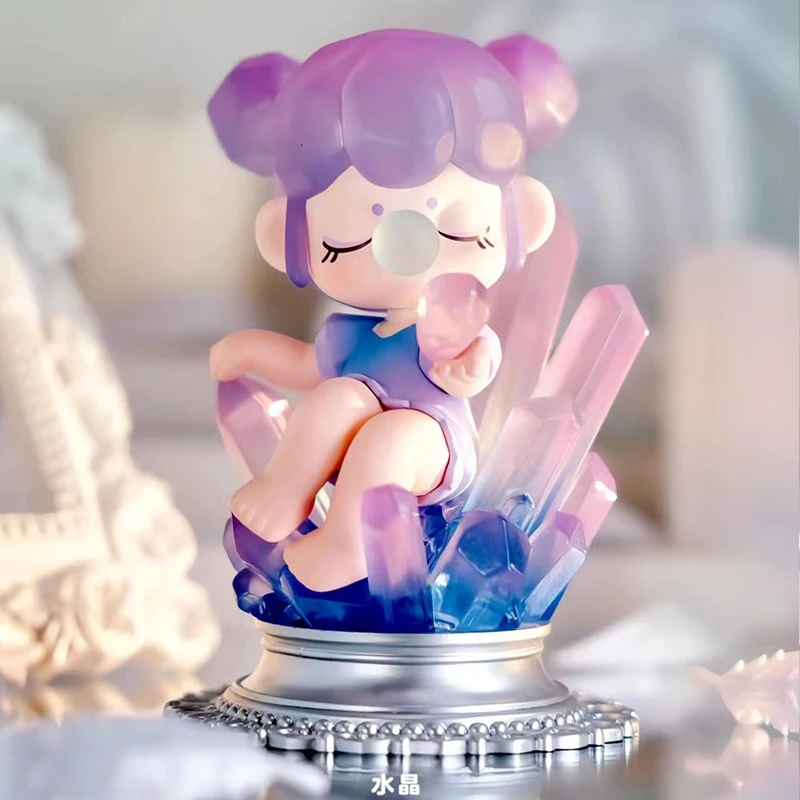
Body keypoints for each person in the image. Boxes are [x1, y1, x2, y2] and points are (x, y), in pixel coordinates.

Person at [208, 29, 558, 591]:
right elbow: (306, 366)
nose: (406, 246)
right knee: (335, 398)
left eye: (456, 229)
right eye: (349, 240)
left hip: (434, 443)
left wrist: (464, 366)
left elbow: (477, 363)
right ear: (285, 239)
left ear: (525, 219)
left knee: (388, 439)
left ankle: (350, 546)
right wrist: (249, 350)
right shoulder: (351, 333)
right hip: (362, 428)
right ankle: (285, 489)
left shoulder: (457, 319)